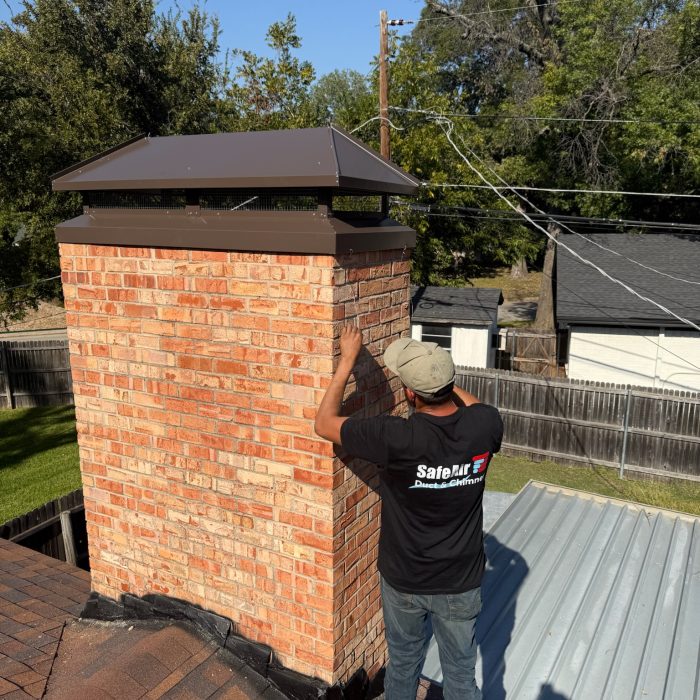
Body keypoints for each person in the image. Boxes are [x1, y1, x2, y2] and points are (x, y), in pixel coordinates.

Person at [314, 326, 503, 700]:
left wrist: (347, 360)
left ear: (409, 393)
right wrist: (443, 381)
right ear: (450, 385)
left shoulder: (396, 438)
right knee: (462, 677)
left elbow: (323, 424)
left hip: (405, 579)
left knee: (402, 667)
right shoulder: (485, 425)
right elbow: (475, 406)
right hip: (459, 580)